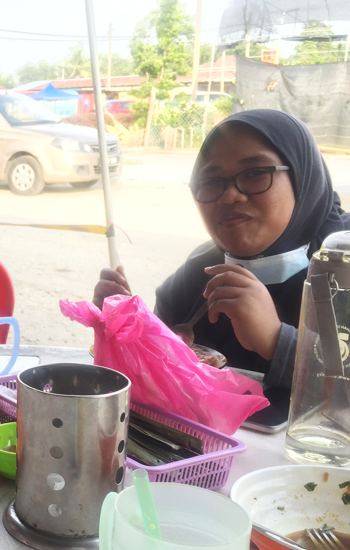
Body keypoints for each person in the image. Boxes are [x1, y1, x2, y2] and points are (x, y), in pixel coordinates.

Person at [93, 110, 350, 389]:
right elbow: (154, 382)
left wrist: (278, 340)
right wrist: (126, 334)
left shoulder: (340, 267)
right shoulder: (196, 278)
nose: (230, 195)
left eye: (254, 174)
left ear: (302, 177)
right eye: (212, 181)